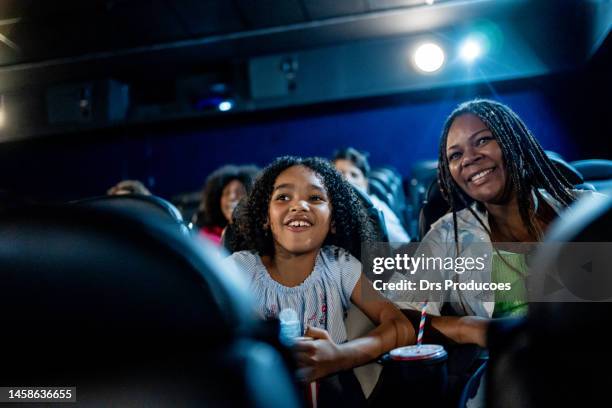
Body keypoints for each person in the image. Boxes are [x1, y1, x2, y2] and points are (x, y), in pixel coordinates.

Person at [225, 156, 415, 402]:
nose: (299, 206)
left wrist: (342, 355)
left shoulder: (339, 264)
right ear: (265, 218)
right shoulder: (239, 269)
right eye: (283, 197)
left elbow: (401, 326)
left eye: (315, 198)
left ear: (333, 221)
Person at [391, 99, 590, 333]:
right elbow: (401, 311)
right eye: (455, 155)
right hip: (513, 365)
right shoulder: (447, 235)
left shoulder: (586, 207)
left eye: (483, 140)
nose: (468, 158)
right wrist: (469, 328)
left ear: (514, 141)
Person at [332, 147, 411, 243]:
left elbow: (404, 245)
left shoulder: (376, 207)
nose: (347, 180)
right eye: (340, 174)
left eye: (354, 175)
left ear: (365, 183)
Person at [194, 164, 259, 245]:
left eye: (240, 192)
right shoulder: (206, 237)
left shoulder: (262, 235)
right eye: (226, 193)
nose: (232, 197)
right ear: (217, 200)